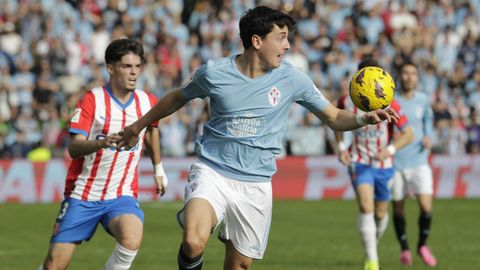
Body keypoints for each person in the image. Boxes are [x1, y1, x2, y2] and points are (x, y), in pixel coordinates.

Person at [117, 6, 399, 270]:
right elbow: (178, 97)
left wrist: (364, 118)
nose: (287, 46)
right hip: (213, 171)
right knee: (193, 240)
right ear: (256, 41)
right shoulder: (215, 73)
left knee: (240, 264)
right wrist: (138, 126)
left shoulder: (293, 79)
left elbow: (334, 117)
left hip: (256, 183)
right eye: (281, 38)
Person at [39, 39, 168, 270]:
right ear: (110, 68)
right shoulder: (92, 100)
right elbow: (74, 147)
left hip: (121, 194)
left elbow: (152, 132)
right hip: (84, 194)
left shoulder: (147, 101)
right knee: (54, 265)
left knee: (132, 236)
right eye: (127, 66)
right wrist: (102, 143)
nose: (134, 73)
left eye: (138, 66)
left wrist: (159, 170)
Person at [336, 59, 414, 270]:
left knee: (380, 213)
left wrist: (388, 151)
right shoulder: (347, 100)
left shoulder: (390, 101)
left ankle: (371, 249)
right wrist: (342, 147)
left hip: (384, 164)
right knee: (366, 206)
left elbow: (408, 134)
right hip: (359, 160)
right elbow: (336, 122)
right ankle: (372, 262)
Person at [391, 60, 437, 267]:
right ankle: (405, 249)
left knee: (426, 208)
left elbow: (428, 122)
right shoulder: (392, 101)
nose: (409, 77)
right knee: (399, 209)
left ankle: (422, 245)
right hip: (396, 161)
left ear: (418, 77)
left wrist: (428, 137)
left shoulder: (423, 100)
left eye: (413, 73)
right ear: (400, 76)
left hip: (419, 160)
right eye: (406, 73)